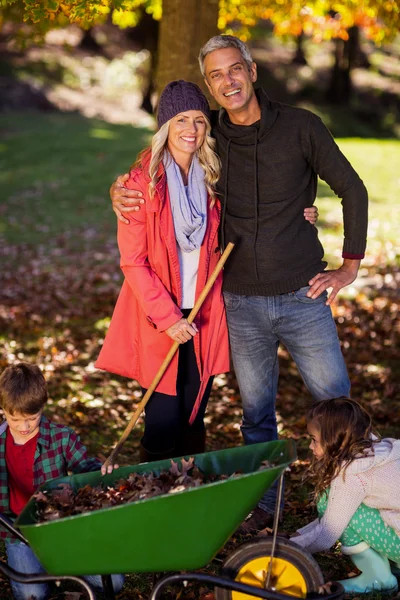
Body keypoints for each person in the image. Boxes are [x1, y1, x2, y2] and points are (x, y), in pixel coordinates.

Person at [109, 35, 368, 533]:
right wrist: (118, 190)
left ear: (251, 70)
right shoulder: (210, 140)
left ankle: (355, 505)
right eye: (215, 76)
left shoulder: (300, 127)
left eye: (234, 70)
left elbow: (352, 188)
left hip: (302, 294)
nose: (227, 82)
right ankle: (264, 508)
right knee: (255, 417)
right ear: (210, 86)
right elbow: (159, 167)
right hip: (237, 302)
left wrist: (349, 264)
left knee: (336, 404)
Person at [95, 80, 230, 462]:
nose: (191, 129)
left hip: (204, 311)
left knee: (194, 413)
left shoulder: (213, 180)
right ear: (165, 126)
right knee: (163, 416)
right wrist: (168, 318)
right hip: (160, 315)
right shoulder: (141, 184)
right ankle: (152, 492)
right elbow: (133, 262)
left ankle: (187, 494)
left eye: (200, 120)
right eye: (181, 119)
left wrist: (306, 209)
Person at [0, 362, 124, 600]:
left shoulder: (61, 437)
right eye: (16, 420)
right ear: (4, 410)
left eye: (33, 418)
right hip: (19, 532)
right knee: (30, 594)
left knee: (113, 583)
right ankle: (45, 570)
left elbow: (85, 468)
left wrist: (103, 471)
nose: (25, 427)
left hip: (62, 525)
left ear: (43, 406)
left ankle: (60, 566)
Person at [291, 398, 400, 594]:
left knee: (329, 500)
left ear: (335, 440)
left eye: (314, 439)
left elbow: (328, 533)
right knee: (340, 503)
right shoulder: (375, 451)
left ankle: (377, 577)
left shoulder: (353, 475)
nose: (309, 446)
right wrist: (299, 536)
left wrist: (290, 549)